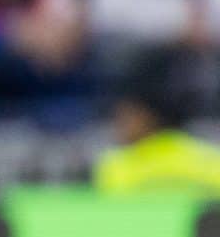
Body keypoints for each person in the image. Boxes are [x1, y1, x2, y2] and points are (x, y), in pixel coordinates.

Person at [93, 46, 220, 194]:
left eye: (124, 114)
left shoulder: (116, 167)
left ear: (147, 116)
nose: (118, 123)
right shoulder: (211, 161)